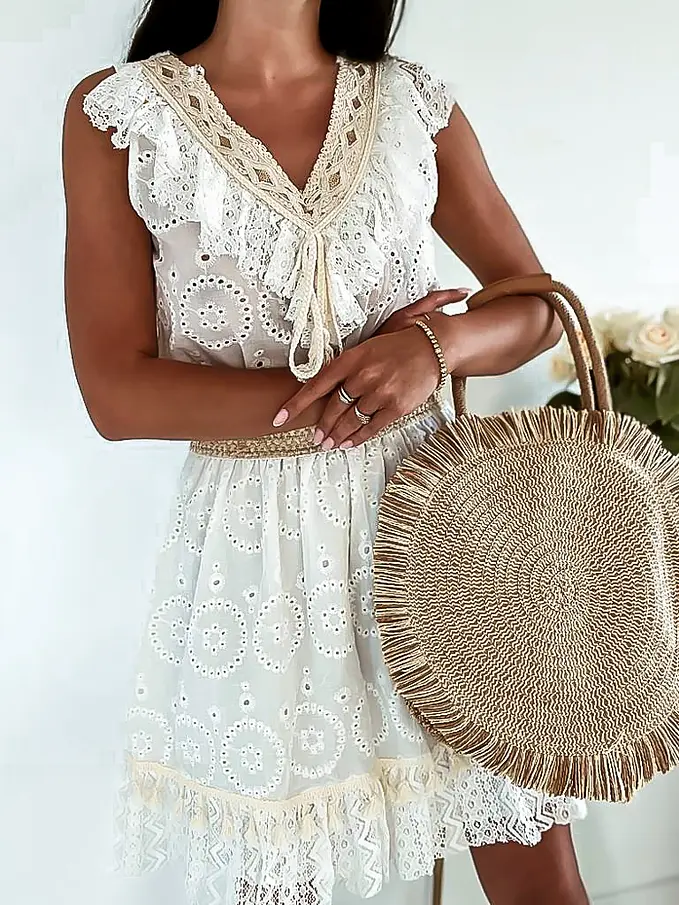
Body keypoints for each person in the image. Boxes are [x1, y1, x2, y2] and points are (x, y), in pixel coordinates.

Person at [62, 1, 590, 903]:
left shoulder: (411, 103)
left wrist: (430, 350)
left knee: (537, 873)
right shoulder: (120, 114)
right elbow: (116, 393)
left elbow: (536, 308)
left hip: (436, 525)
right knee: (277, 880)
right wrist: (356, 388)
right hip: (258, 554)